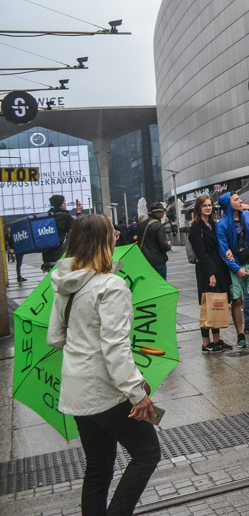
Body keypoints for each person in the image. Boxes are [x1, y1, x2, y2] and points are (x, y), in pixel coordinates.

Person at [47, 214, 161, 516]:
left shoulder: (63, 282)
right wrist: (137, 393)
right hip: (106, 391)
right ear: (104, 240)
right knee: (148, 454)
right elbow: (115, 349)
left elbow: (55, 338)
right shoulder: (111, 286)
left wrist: (83, 344)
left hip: (76, 391)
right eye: (113, 231)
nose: (118, 233)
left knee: (98, 469)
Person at [216, 192, 249, 347]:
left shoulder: (248, 216)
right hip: (235, 267)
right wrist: (236, 269)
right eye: (236, 199)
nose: (240, 201)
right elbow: (223, 250)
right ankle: (240, 334)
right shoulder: (222, 224)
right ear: (228, 203)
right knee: (237, 300)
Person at [188, 194, 235, 353]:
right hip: (206, 270)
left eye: (209, 205)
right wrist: (211, 274)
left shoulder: (215, 225)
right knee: (207, 305)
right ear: (198, 208)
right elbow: (201, 253)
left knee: (218, 303)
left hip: (219, 268)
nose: (208, 208)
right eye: (204, 206)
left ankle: (217, 340)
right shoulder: (195, 228)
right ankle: (206, 343)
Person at [137, 202, 172, 280]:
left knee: (150, 284)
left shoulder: (141, 225)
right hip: (158, 261)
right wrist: (168, 245)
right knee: (161, 285)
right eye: (161, 211)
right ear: (155, 212)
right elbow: (163, 246)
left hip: (145, 260)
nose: (163, 213)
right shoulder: (159, 225)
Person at [41, 194, 75, 271]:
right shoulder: (65, 216)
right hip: (60, 253)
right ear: (61, 204)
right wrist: (78, 212)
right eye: (64, 201)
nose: (65, 203)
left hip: (46, 254)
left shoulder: (47, 216)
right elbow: (78, 226)